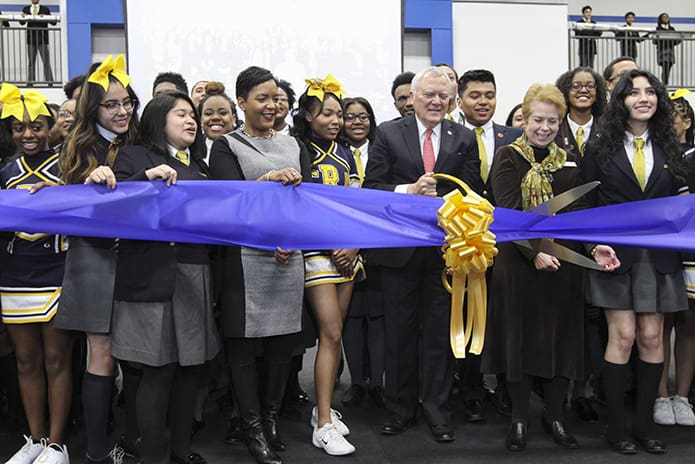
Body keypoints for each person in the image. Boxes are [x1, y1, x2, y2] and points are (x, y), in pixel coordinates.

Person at [364, 66, 480, 443]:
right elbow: (373, 187)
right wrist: (407, 191)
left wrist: (450, 201)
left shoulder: (463, 136)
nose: (436, 101)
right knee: (398, 335)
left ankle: (438, 411)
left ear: (451, 100)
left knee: (439, 336)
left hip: (448, 254)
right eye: (429, 94)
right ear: (411, 98)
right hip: (399, 252)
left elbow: (475, 191)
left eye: (443, 96)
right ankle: (398, 410)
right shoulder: (387, 133)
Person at [482, 83, 595, 452]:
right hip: (518, 263)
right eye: (537, 120)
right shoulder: (508, 157)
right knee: (518, 340)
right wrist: (536, 253)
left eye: (552, 121)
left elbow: (578, 213)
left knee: (562, 341)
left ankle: (555, 415)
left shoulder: (569, 159)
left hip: (564, 263)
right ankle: (518, 417)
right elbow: (509, 212)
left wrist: (594, 246)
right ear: (525, 120)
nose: (545, 127)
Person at [582, 69, 689, 455]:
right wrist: (594, 248)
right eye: (633, 92)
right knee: (623, 337)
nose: (643, 98)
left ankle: (645, 427)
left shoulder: (670, 148)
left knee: (651, 337)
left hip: (659, 256)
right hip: (614, 255)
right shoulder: (598, 149)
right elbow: (587, 207)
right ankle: (617, 428)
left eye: (649, 92)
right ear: (620, 100)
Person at [208, 66, 310, 464]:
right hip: (245, 260)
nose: (271, 105)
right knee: (244, 349)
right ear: (242, 103)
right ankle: (250, 426)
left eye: (275, 98)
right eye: (261, 99)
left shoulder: (293, 143)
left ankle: (270, 421)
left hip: (288, 255)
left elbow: (307, 201)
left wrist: (291, 239)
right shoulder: (226, 145)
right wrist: (268, 178)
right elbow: (230, 200)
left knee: (283, 346)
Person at [111, 90, 220, 464]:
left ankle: (181, 451)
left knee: (189, 371)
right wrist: (145, 179)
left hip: (194, 274)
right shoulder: (134, 157)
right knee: (156, 372)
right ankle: (152, 456)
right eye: (182, 114)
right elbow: (114, 206)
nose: (192, 121)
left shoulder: (202, 167)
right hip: (150, 276)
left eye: (193, 115)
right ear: (159, 120)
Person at [53, 55, 142, 464]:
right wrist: (87, 184)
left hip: (137, 260)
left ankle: (130, 442)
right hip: (94, 260)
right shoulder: (79, 147)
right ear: (93, 108)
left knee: (136, 352)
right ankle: (96, 450)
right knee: (100, 352)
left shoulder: (140, 145)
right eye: (111, 104)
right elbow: (67, 205)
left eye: (126, 102)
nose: (122, 110)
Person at [0, 83, 70, 464]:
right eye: (19, 128)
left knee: (56, 360)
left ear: (50, 126)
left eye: (37, 126)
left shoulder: (67, 165)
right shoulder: (5, 171)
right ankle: (36, 440)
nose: (28, 135)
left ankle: (57, 445)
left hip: (57, 270)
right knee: (25, 361)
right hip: (13, 274)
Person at [292, 73, 361, 456]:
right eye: (327, 114)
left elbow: (355, 204)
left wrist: (352, 244)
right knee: (330, 334)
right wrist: (332, 242)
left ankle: (325, 409)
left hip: (349, 253)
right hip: (316, 253)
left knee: (335, 337)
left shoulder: (346, 152)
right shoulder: (297, 149)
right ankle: (321, 423)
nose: (336, 121)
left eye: (340, 115)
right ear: (307, 115)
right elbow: (300, 208)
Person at [455, 68, 521, 419]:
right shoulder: (450, 136)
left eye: (489, 95)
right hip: (462, 243)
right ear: (460, 99)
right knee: (468, 319)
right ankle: (469, 389)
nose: (483, 102)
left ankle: (509, 388)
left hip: (507, 244)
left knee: (504, 317)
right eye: (475, 96)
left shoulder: (514, 135)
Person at [339, 96, 385, 409]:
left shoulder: (382, 151)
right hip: (343, 246)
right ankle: (356, 383)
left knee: (378, 316)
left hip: (380, 246)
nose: (357, 122)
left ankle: (378, 384)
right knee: (352, 318)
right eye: (350, 116)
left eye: (363, 116)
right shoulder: (336, 155)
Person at [653, 91, 695, 427]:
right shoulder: (655, 153)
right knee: (660, 323)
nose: (668, 120)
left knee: (689, 324)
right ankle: (660, 395)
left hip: (691, 252)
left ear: (687, 121)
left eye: (675, 114)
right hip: (662, 250)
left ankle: (682, 396)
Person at [555, 67, 607, 160]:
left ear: (597, 93)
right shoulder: (554, 129)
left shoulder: (607, 129)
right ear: (566, 92)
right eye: (576, 86)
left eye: (590, 86)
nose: (583, 90)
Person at [197, 81, 237, 163]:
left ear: (234, 119)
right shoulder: (192, 151)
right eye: (208, 113)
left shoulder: (246, 146)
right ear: (200, 120)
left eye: (222, 113)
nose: (215, 118)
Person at [20, 0, 55, 83]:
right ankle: (31, 82)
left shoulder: (45, 9)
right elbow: (22, 23)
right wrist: (22, 16)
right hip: (31, 39)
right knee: (31, 62)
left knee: (46, 61)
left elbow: (53, 23)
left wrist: (46, 17)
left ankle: (50, 81)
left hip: (42, 39)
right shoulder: (26, 9)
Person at [653, 12, 681, 86]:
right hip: (662, 50)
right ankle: (665, 83)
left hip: (670, 51)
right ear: (660, 19)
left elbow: (677, 40)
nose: (666, 19)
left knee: (669, 66)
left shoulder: (672, 29)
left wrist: (672, 41)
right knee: (665, 66)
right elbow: (655, 41)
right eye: (664, 17)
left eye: (667, 17)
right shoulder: (658, 28)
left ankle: (665, 83)